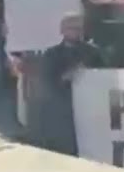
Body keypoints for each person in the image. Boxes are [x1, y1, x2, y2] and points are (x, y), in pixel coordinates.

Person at [39, 13, 104, 156]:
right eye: (71, 28)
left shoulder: (93, 52)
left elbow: (105, 77)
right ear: (62, 30)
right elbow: (47, 82)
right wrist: (66, 77)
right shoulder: (52, 54)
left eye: (78, 28)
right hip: (63, 113)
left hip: (90, 111)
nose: (75, 31)